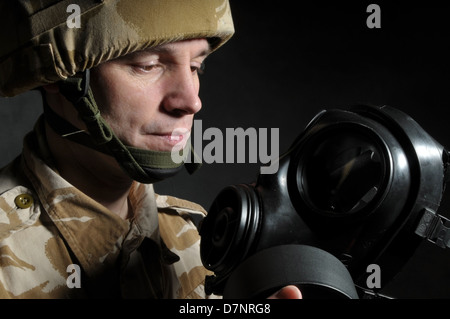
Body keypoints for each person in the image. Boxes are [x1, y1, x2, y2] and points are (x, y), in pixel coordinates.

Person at [0, 0, 301, 299]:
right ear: (58, 73)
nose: (190, 101)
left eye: (196, 66)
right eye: (148, 65)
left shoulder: (198, 236)